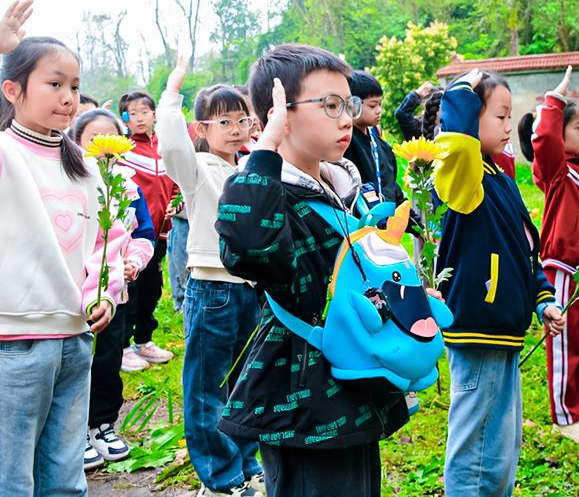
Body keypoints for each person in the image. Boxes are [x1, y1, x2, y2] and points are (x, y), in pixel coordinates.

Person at [0, 0, 119, 495]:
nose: (68, 98)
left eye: (75, 87)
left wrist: (106, 292)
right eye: (54, 83)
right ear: (12, 90)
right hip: (14, 343)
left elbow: (105, 239)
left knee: (66, 478)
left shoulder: (85, 165)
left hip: (75, 339)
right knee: (9, 480)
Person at [215, 44, 411, 497]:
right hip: (303, 395)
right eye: (329, 106)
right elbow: (249, 245)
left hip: (351, 382)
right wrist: (266, 144)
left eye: (348, 105)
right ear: (279, 114)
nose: (346, 119)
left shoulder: (341, 187)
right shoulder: (268, 191)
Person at [434, 69, 564, 496]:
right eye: (500, 116)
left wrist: (542, 299)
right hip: (478, 329)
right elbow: (455, 143)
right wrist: (461, 90)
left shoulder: (503, 181)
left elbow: (527, 249)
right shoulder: (465, 181)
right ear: (472, 122)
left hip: (504, 330)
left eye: (511, 117)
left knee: (501, 443)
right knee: (475, 446)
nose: (510, 126)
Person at [157, 58, 263, 497]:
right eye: (225, 121)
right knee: (206, 387)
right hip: (212, 290)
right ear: (202, 128)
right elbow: (172, 148)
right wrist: (172, 93)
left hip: (250, 291)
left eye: (242, 119)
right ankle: (220, 479)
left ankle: (247, 463)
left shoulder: (251, 169)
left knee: (247, 383)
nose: (236, 129)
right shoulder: (197, 172)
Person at [517, 66, 579, 443]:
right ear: (559, 134)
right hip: (561, 268)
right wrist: (554, 100)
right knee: (563, 340)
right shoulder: (555, 170)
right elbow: (543, 138)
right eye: (577, 127)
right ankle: (563, 416)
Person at [73, 108, 156, 469]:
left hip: (116, 290)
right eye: (93, 138)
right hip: (75, 293)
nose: (104, 146)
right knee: (77, 362)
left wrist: (132, 262)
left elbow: (143, 234)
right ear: (77, 144)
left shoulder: (129, 184)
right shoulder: (72, 182)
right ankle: (73, 431)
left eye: (112, 138)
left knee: (108, 359)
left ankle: (103, 424)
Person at [118, 88, 177, 369]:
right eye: (133, 114)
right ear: (125, 119)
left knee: (152, 288)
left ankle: (144, 340)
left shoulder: (165, 148)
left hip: (160, 235)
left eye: (145, 112)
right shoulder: (124, 151)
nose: (140, 118)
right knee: (131, 289)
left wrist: (175, 204)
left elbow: (176, 183)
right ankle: (123, 346)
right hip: (133, 237)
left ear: (154, 115)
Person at [344, 70, 407, 209]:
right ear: (353, 104)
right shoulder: (345, 144)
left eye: (380, 104)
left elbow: (391, 186)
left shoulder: (380, 145)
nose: (379, 110)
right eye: (373, 105)